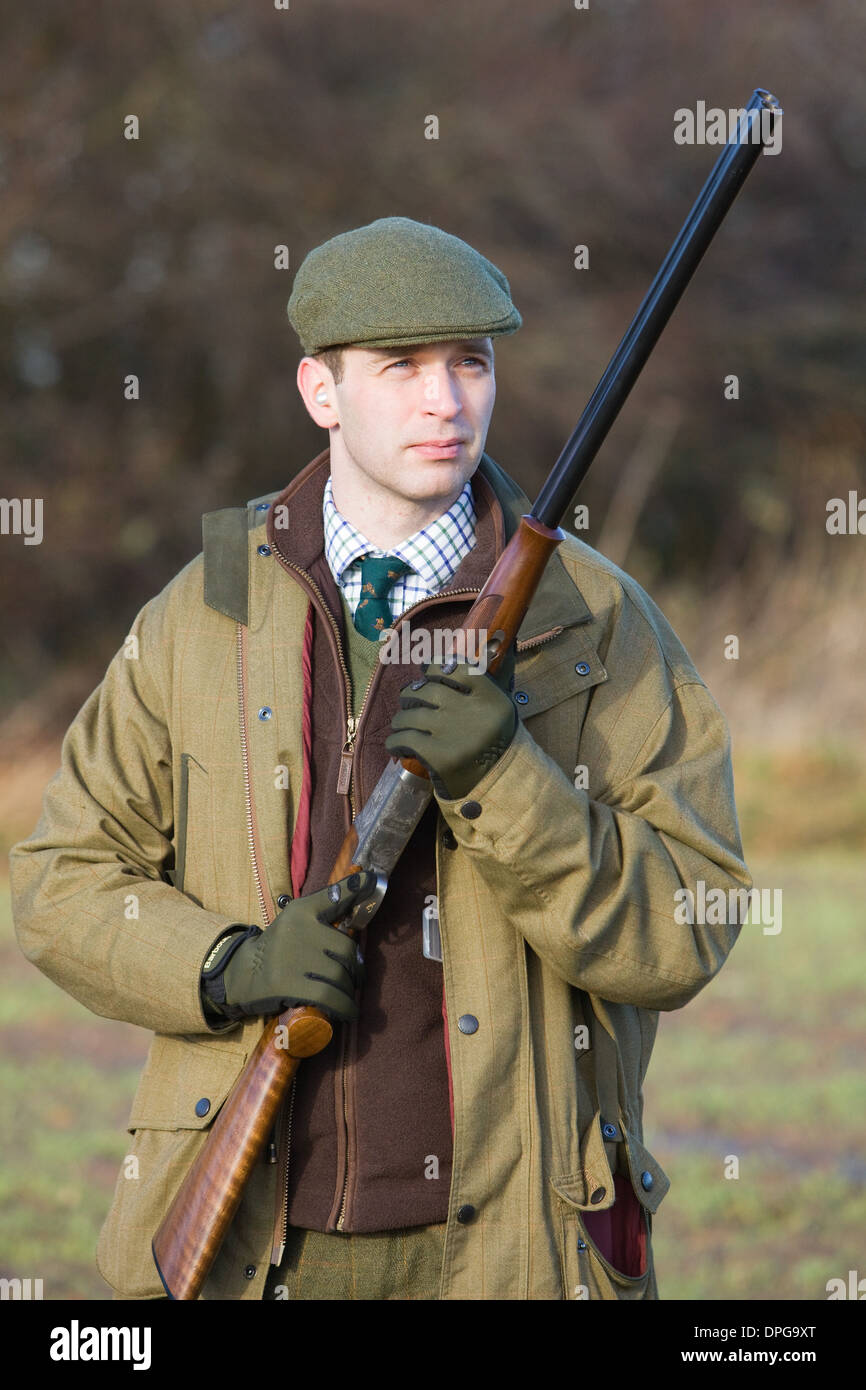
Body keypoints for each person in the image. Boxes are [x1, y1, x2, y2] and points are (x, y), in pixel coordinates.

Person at [9, 216, 751, 1301]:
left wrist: (508, 783)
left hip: (511, 1246)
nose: (444, 402)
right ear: (320, 390)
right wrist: (228, 965)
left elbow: (686, 928)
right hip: (259, 1245)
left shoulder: (591, 613)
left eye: (469, 363)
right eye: (399, 368)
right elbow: (60, 879)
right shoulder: (214, 588)